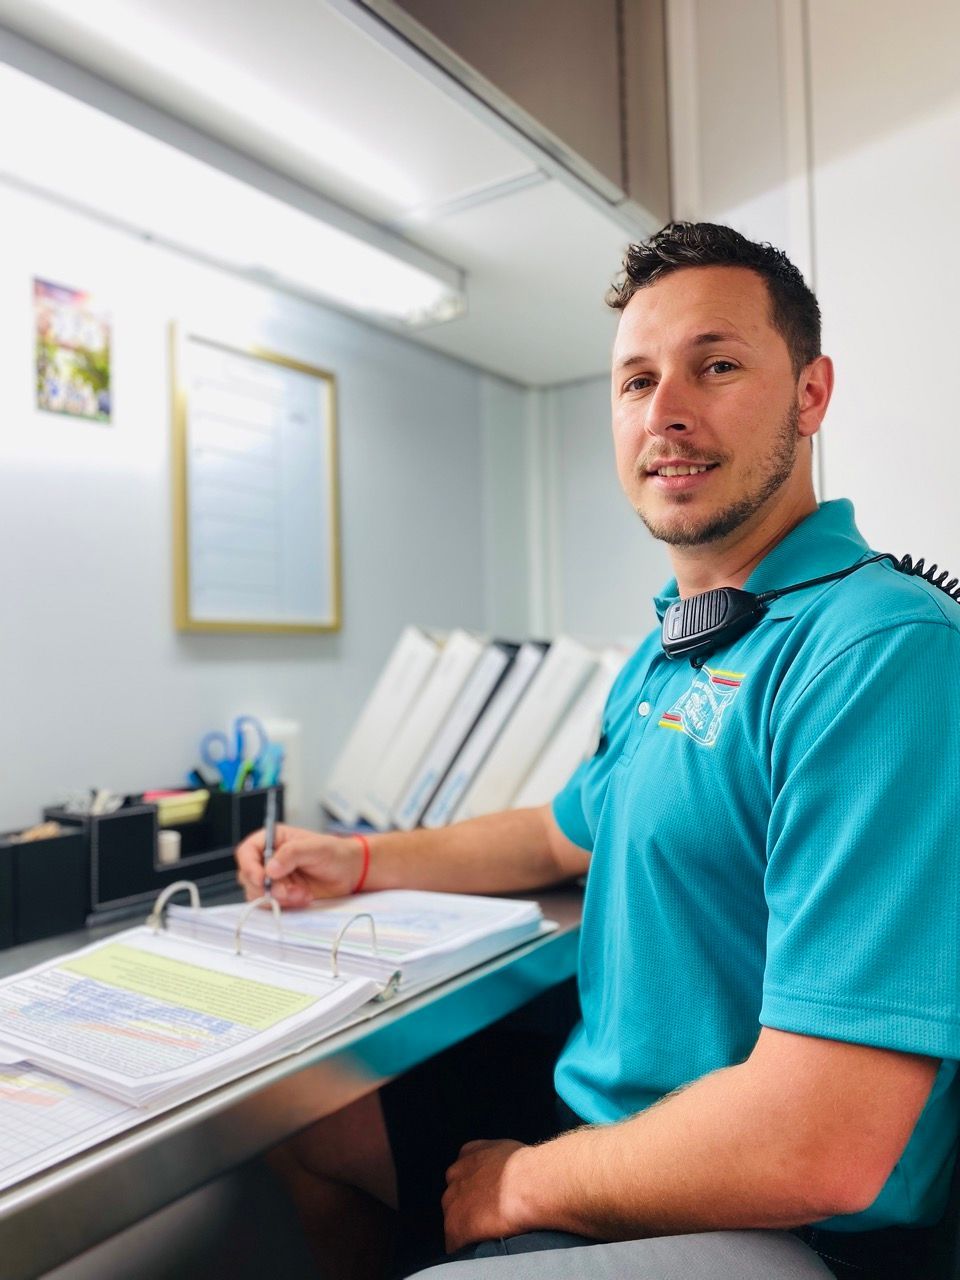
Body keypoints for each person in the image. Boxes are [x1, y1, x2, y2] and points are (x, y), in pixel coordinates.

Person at [236, 222, 960, 1280]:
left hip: (781, 1210)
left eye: (715, 366)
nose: (666, 410)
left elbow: (826, 1139)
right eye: (634, 381)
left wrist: (523, 1180)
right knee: (306, 1114)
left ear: (810, 395)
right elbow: (557, 831)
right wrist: (363, 858)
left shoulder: (879, 651)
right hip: (618, 1115)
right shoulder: (680, 642)